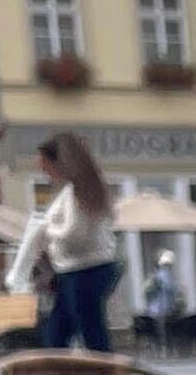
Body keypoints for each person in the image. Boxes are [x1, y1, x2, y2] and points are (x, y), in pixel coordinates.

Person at [7, 134, 120, 352]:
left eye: (45, 165)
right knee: (63, 333)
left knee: (86, 333)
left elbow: (75, 234)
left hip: (84, 269)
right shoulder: (76, 192)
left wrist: (45, 231)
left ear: (60, 162)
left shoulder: (79, 193)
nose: (44, 171)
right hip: (77, 270)